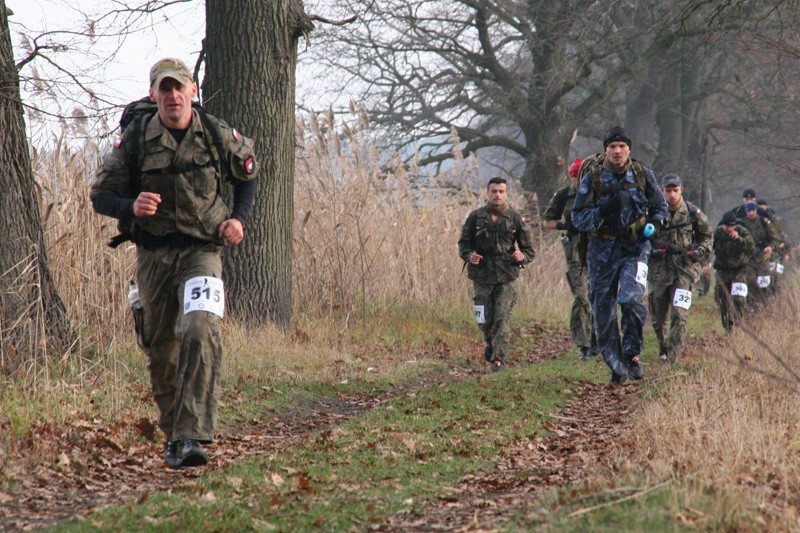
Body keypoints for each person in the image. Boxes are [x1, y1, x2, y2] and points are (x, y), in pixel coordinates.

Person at [91, 58, 259, 468]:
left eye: (179, 87)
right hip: (154, 255)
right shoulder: (135, 139)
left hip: (203, 251)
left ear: (192, 91)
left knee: (200, 328)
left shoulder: (217, 135)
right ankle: (173, 434)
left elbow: (248, 176)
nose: (172, 96)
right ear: (153, 95)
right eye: (164, 89)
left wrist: (238, 219)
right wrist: (131, 207)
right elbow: (100, 196)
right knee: (162, 347)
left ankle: (192, 437)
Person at [571, 126, 668, 384]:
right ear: (605, 150)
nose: (617, 151)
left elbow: (660, 206)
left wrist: (655, 225)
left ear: (629, 149)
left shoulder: (642, 173)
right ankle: (615, 365)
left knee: (631, 299)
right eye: (612, 147)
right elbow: (577, 218)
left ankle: (632, 355)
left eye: (621, 146)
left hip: (634, 249)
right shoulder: (593, 178)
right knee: (603, 311)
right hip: (601, 252)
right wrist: (602, 210)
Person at [458, 177, 535, 372]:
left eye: (501, 191)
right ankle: (491, 345)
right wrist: (469, 255)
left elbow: (529, 250)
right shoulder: (475, 217)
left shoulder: (515, 218)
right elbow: (463, 244)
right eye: (493, 191)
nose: (497, 195)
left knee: (502, 317)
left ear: (506, 194)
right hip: (481, 274)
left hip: (506, 274)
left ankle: (498, 359)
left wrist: (521, 256)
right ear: (487, 193)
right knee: (484, 320)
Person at [646, 174, 713, 364]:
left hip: (684, 270)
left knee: (680, 313)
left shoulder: (693, 213)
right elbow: (642, 238)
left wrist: (699, 251)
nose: (672, 195)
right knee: (658, 318)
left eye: (675, 191)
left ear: (681, 190)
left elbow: (707, 235)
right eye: (668, 191)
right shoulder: (653, 213)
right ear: (662, 191)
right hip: (659, 271)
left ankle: (673, 355)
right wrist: (652, 251)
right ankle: (664, 346)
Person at [543, 158, 598, 361]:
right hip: (575, 256)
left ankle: (597, 340)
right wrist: (565, 226)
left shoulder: (597, 193)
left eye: (583, 177)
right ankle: (583, 345)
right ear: (571, 176)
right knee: (581, 298)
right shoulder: (564, 195)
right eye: (576, 177)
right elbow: (548, 221)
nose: (580, 181)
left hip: (597, 254)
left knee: (598, 298)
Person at [713, 211, 756, 332]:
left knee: (739, 299)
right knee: (722, 301)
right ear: (723, 225)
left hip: (739, 270)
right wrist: (705, 263)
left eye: (732, 226)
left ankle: (739, 323)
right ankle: (728, 328)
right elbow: (707, 248)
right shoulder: (717, 233)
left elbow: (752, 249)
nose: (730, 229)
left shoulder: (742, 231)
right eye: (727, 226)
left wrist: (740, 239)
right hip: (722, 271)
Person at [736, 202, 779, 309]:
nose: (751, 213)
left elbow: (774, 238)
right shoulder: (741, 223)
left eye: (753, 210)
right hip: (748, 256)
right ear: (746, 211)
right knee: (750, 280)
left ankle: (764, 303)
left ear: (756, 210)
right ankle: (751, 305)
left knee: (763, 281)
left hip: (762, 256)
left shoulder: (764, 222)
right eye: (749, 211)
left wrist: (770, 247)